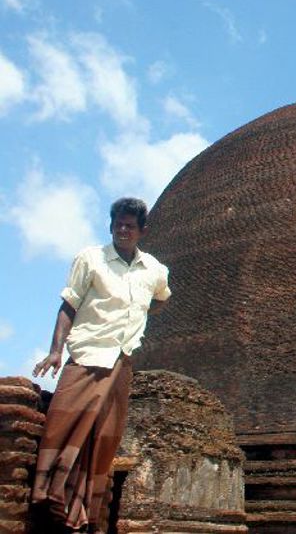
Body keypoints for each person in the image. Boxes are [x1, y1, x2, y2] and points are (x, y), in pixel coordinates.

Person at [31, 197, 170, 532]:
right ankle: (47, 492)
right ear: (111, 226)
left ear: (142, 231)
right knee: (63, 423)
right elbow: (69, 305)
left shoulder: (155, 271)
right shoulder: (90, 259)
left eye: (130, 226)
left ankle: (83, 511)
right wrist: (55, 350)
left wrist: (134, 323)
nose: (123, 230)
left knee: (105, 438)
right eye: (118, 224)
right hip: (87, 355)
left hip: (121, 361)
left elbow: (160, 300)